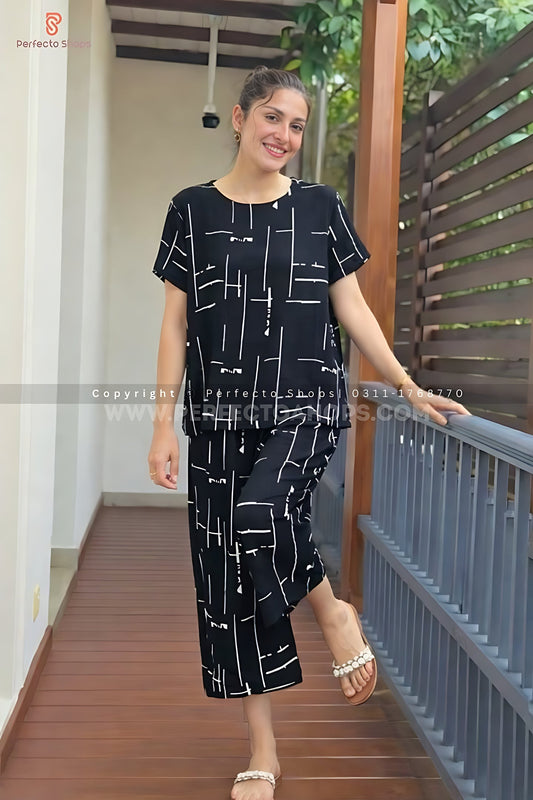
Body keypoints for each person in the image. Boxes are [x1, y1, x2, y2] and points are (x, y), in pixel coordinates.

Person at [147, 64, 471, 800]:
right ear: (239, 118)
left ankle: (331, 611)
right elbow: (174, 324)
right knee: (229, 575)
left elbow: (350, 307)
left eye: (296, 125)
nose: (284, 135)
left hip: (305, 403)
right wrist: (162, 425)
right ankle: (261, 749)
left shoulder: (320, 207)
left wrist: (406, 384)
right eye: (272, 118)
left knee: (260, 515)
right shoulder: (190, 210)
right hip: (218, 415)